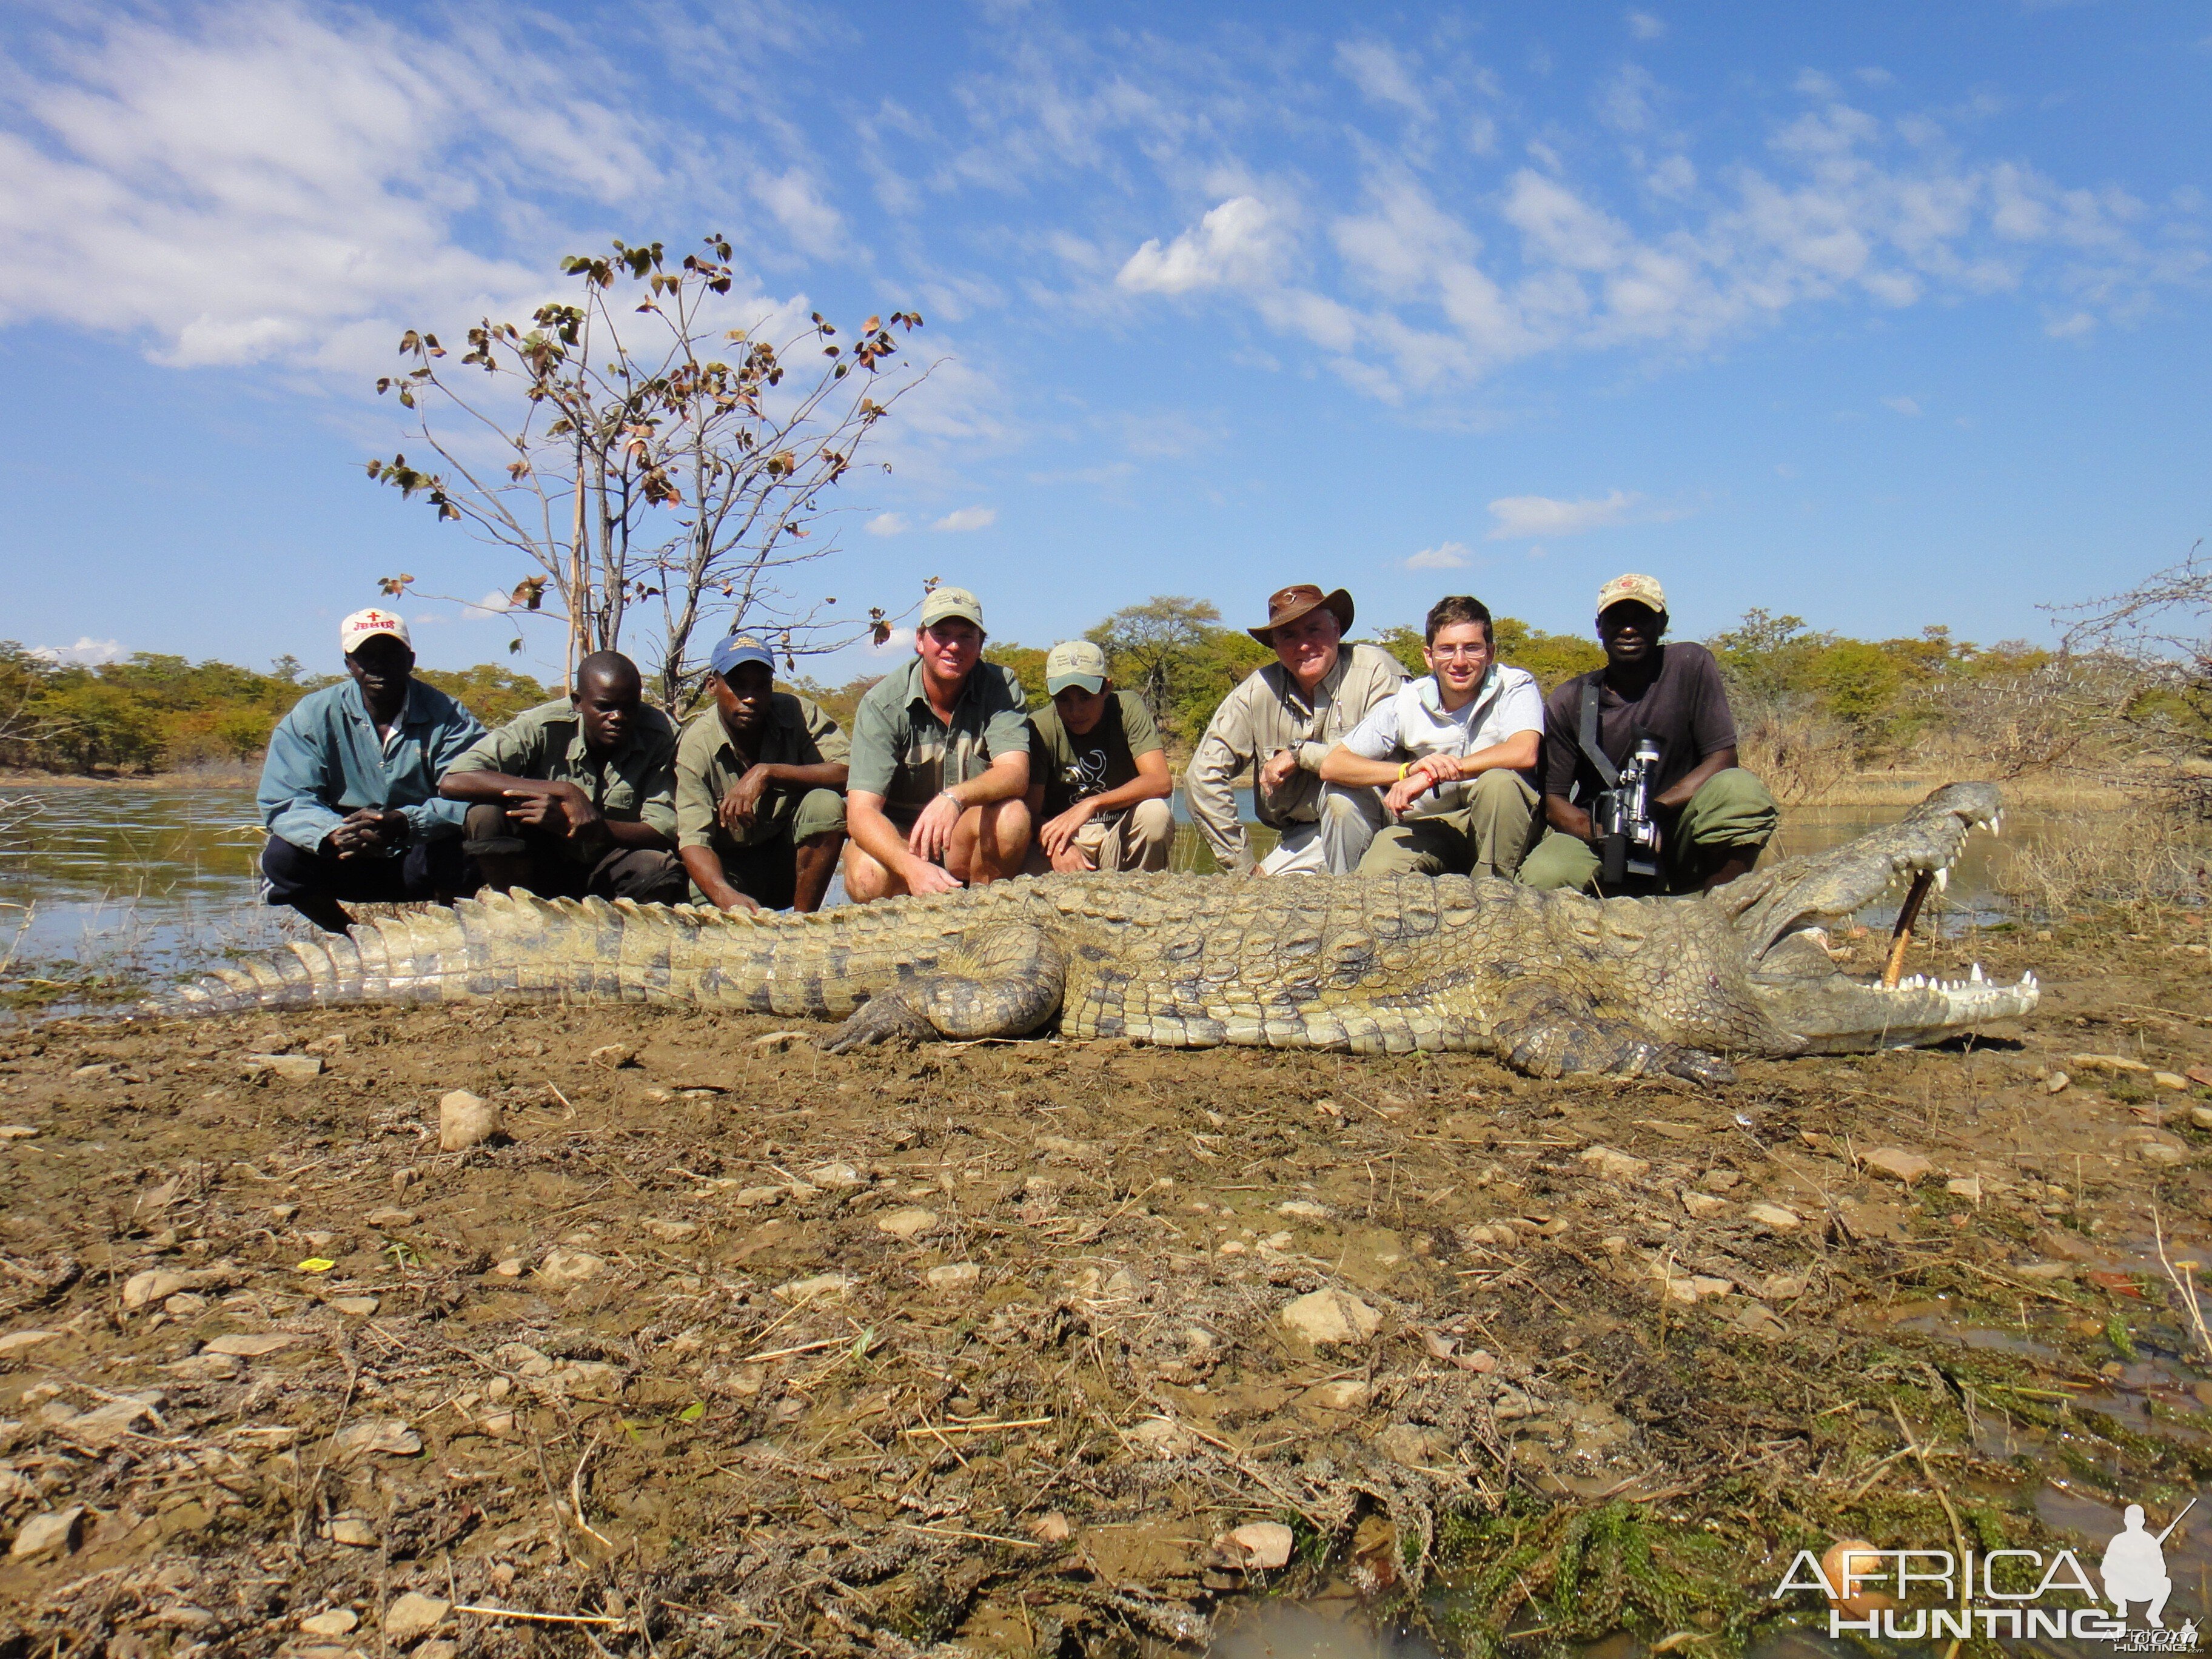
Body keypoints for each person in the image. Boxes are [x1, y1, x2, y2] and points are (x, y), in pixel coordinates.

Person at [1519, 574, 1777, 895]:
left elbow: (1723, 758)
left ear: (1662, 623)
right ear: (1599, 627)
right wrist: (1604, 835)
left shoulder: (1690, 664)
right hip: (1603, 838)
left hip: (1679, 827)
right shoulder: (1569, 699)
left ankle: (1716, 907)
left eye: (1641, 618)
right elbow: (1555, 802)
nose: (1628, 629)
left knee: (1741, 792)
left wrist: (1658, 808)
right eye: (1616, 619)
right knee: (1544, 874)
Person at [257, 608, 485, 933]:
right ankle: (351, 940)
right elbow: (285, 800)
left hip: (418, 856)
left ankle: (448, 936)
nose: (378, 665)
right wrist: (332, 832)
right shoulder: (312, 714)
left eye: (390, 653)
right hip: (345, 855)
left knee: (481, 831)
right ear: (349, 663)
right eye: (365, 656)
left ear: (410, 660)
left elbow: (472, 792)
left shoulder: (450, 715)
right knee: (281, 860)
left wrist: (407, 823)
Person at [1185, 583, 1406, 876]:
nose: (1303, 645)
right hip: (1304, 837)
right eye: (1289, 635)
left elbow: (1384, 764)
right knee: (1261, 903)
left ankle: (1347, 906)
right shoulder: (1256, 692)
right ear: (1275, 645)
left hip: (1380, 825)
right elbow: (1201, 777)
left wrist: (1301, 754)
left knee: (1341, 802)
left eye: (1314, 629)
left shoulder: (1376, 670)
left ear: (1336, 628)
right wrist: (1243, 867)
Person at [1319, 595, 1544, 880]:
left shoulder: (1515, 685)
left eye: (1472, 648)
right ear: (1429, 656)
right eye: (1447, 649)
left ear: (1490, 653)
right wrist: (1407, 771)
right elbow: (1334, 765)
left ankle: (1494, 887)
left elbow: (1523, 752)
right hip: (1432, 825)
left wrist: (1431, 777)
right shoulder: (1408, 699)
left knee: (1499, 783)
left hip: (1502, 823)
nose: (1459, 661)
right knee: (1378, 872)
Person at [438, 650, 687, 903]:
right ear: (578, 702)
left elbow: (662, 829)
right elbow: (455, 780)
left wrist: (591, 829)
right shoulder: (542, 725)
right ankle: (520, 912)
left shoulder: (662, 736)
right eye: (604, 707)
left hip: (611, 860)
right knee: (484, 815)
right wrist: (562, 790)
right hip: (542, 857)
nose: (617, 718)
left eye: (629, 708)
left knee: (659, 870)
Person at [843, 586, 1031, 900]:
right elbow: (862, 813)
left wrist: (954, 798)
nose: (953, 646)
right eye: (941, 633)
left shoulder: (1001, 686)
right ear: (920, 640)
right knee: (867, 876)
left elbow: (1015, 772)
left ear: (981, 644)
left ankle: (986, 914)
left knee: (1012, 817)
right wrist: (910, 865)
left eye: (966, 636)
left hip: (962, 831)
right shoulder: (881, 704)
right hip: (903, 837)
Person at [673, 633, 850, 913]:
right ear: (712, 686)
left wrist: (768, 772)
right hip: (731, 870)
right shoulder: (696, 747)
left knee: (826, 805)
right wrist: (725, 895)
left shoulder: (797, 713)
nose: (751, 698)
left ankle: (802, 928)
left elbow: (849, 772)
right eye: (738, 686)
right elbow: (694, 840)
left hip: (789, 864)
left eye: (762, 686)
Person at [1024, 640, 1175, 874]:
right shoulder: (1040, 727)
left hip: (1119, 833)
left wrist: (1092, 804)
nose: (1075, 711)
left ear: (1106, 688)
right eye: (1064, 699)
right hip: (1066, 841)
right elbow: (1029, 814)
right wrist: (1056, 848)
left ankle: (1144, 899)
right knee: (1023, 855)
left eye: (1085, 697)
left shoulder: (1128, 709)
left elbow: (1160, 781)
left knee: (1156, 814)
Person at [2100, 1504, 2173, 1627]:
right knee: (2109, 1582)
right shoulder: (2118, 1541)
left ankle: (2153, 1614)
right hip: (2121, 1589)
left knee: (2166, 1583)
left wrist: (2146, 1568)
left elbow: (2162, 1571)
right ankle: (2121, 1606)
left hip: (2144, 1589)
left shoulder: (2150, 1542)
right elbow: (2105, 1569)